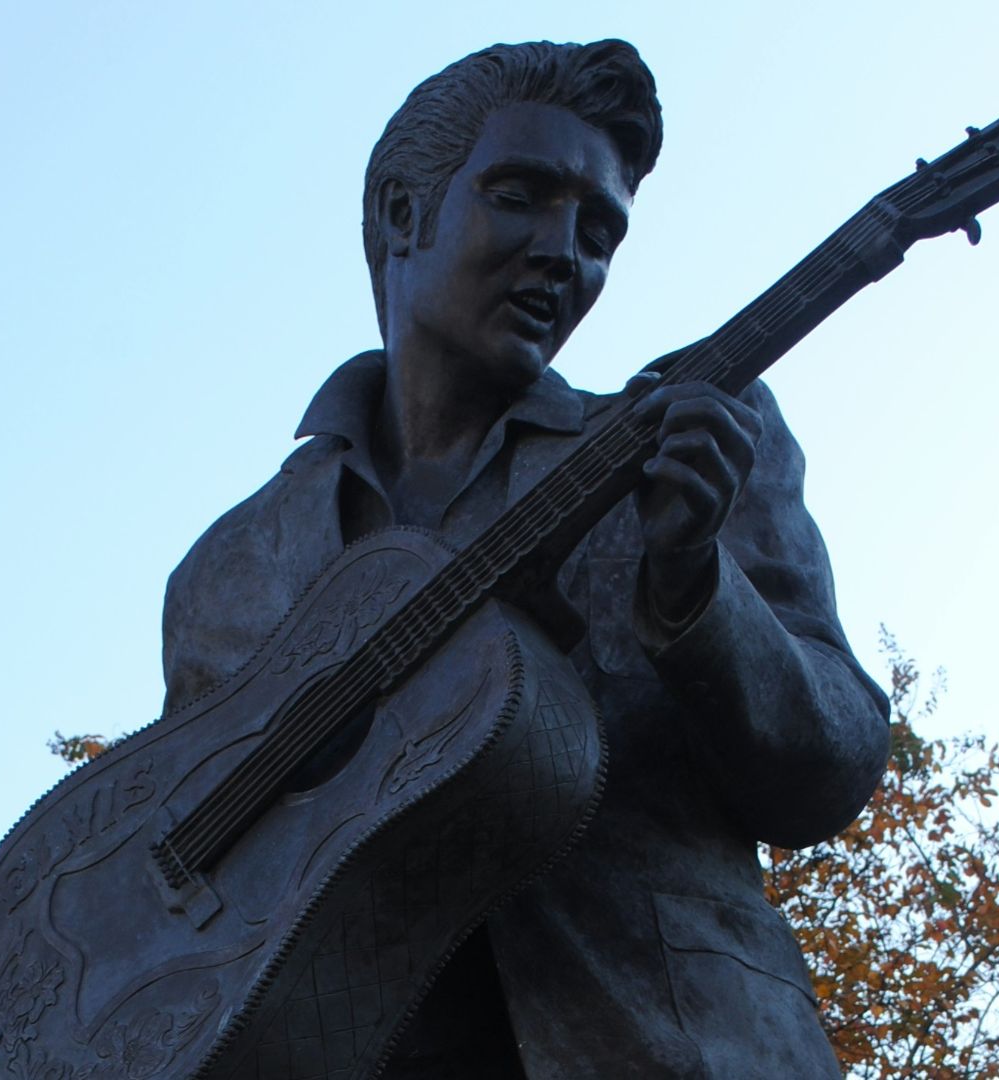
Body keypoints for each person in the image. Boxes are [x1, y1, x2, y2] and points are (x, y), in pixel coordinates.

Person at [161, 40, 890, 1078]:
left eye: (599, 232)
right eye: (520, 197)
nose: (565, 254)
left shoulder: (687, 445)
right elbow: (192, 893)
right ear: (402, 213)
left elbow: (829, 774)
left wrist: (695, 590)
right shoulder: (230, 571)